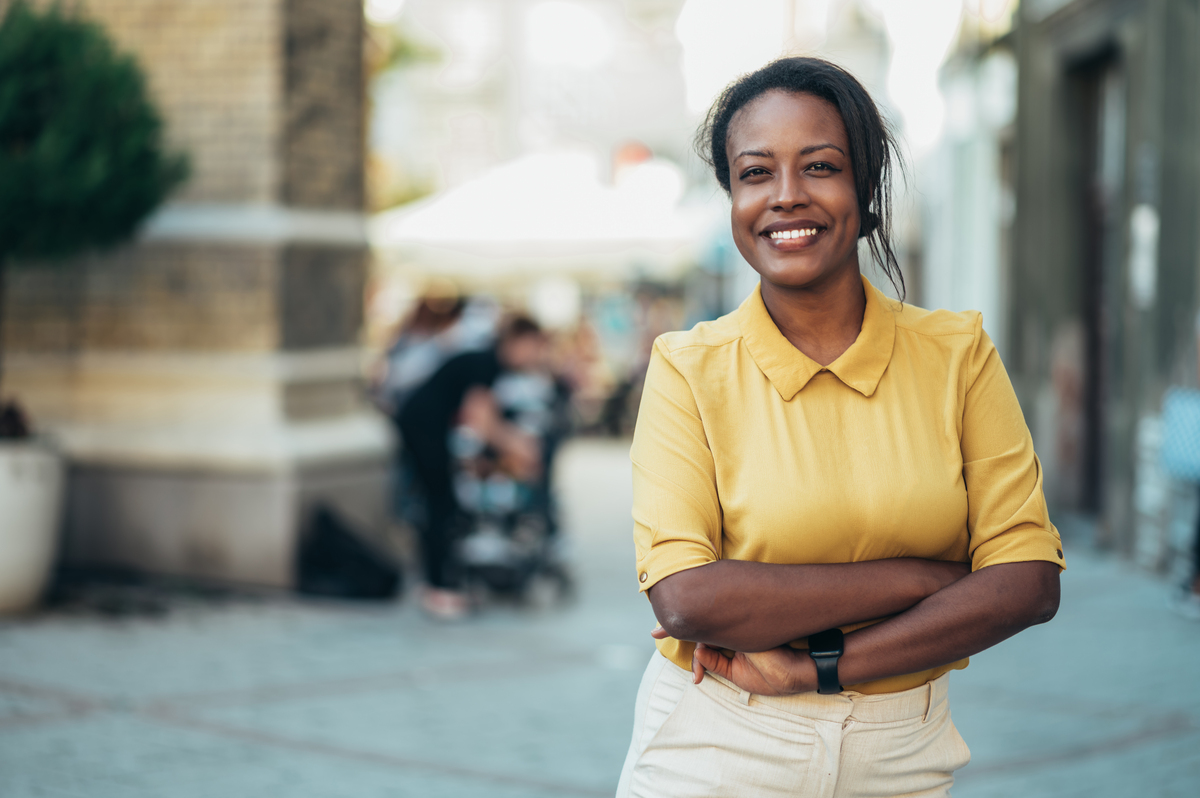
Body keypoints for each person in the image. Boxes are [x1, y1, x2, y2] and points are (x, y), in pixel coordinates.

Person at [617, 57, 1064, 798]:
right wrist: (925, 579)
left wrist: (818, 666)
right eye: (755, 173)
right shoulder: (688, 368)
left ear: (867, 190)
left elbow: (1028, 585)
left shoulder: (958, 355)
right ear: (732, 198)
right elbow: (687, 600)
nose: (786, 196)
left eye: (820, 166)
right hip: (718, 741)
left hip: (906, 752)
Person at [396, 316, 547, 619]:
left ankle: (434, 585)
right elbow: (482, 418)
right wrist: (519, 446)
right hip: (423, 428)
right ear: (516, 341)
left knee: (439, 503)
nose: (535, 356)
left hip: (425, 428)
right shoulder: (486, 362)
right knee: (441, 504)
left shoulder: (486, 362)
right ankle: (437, 590)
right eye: (533, 347)